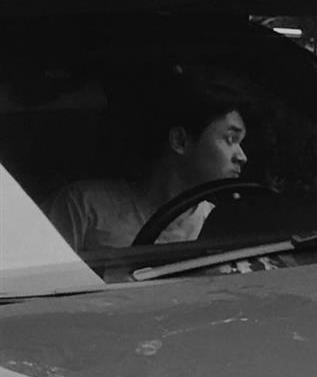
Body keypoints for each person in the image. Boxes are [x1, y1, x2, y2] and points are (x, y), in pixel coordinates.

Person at [44, 74, 250, 251]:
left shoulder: (220, 225)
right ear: (180, 141)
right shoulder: (84, 206)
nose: (242, 156)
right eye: (230, 139)